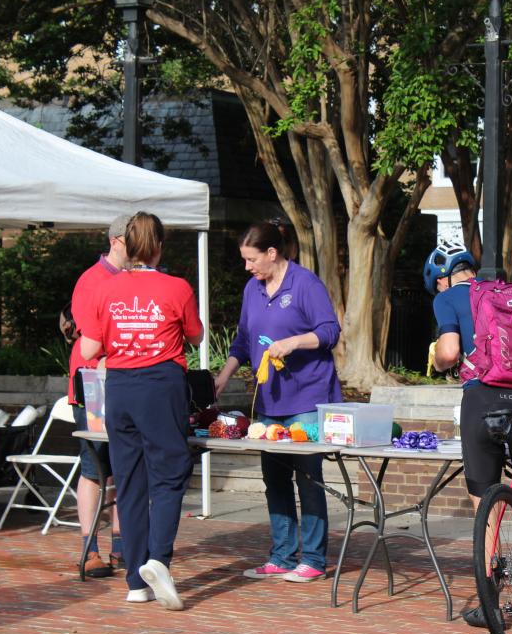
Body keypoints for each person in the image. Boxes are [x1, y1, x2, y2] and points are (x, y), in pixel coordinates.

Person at [424, 241, 512, 628]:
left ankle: (491, 603)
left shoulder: (448, 298)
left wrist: (438, 360)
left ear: (442, 279)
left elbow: (451, 352)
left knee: (486, 503)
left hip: (483, 401)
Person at [80, 212, 204, 609]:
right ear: (159, 247)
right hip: (159, 385)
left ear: (125, 245)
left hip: (119, 388)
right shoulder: (177, 286)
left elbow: (88, 350)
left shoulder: (104, 289)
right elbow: (197, 334)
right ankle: (158, 560)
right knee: (168, 475)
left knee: (129, 481)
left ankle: (136, 582)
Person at [213, 221, 341, 583]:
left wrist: (294, 342)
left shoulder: (305, 283)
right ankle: (282, 555)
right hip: (270, 399)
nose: (248, 267)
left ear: (272, 253)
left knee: (308, 478)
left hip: (307, 395)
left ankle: (314, 558)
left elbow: (329, 331)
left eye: (252, 259)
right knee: (275, 479)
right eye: (245, 260)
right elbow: (242, 340)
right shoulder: (252, 290)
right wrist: (224, 376)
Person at [66, 214, 129, 578]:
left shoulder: (133, 280)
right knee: (94, 468)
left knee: (123, 466)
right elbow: (90, 338)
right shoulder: (92, 281)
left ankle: (122, 544)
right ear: (118, 240)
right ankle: (90, 549)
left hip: (124, 382)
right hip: (93, 385)